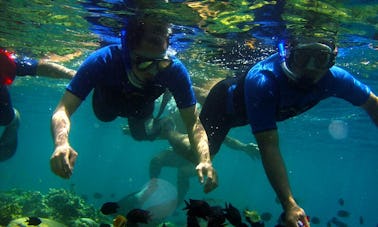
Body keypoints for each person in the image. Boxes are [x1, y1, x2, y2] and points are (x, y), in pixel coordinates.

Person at [193, 37, 378, 227]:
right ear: (288, 54)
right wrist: (289, 205)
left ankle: (198, 94)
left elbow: (373, 103)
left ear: (332, 59)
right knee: (194, 158)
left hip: (250, 109)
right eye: (303, 57)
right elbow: (268, 146)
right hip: (224, 108)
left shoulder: (336, 79)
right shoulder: (264, 80)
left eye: (321, 58)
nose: (311, 67)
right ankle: (188, 103)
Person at [49, 15, 217, 193]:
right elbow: (63, 109)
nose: (153, 72)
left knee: (139, 135)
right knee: (104, 117)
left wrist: (205, 159)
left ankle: (164, 125)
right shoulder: (103, 60)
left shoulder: (174, 70)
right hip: (106, 104)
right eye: (145, 64)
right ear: (128, 54)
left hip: (141, 108)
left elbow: (193, 123)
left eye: (161, 64)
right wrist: (61, 143)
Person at [0, 48, 75, 161]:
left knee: (8, 120)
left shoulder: (4, 62)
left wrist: (77, 76)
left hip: (2, 103)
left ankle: (14, 120)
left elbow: (40, 68)